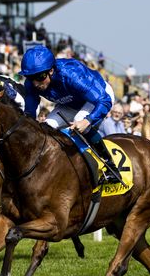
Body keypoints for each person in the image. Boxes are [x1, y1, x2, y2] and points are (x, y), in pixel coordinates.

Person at [20, 46, 120, 183]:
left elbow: (104, 100)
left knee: (80, 121)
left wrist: (88, 121)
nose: (36, 83)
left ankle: (111, 168)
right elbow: (30, 114)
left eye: (40, 77)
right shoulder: (31, 84)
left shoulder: (71, 75)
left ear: (51, 70)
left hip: (98, 96)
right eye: (30, 78)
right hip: (70, 103)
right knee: (46, 127)